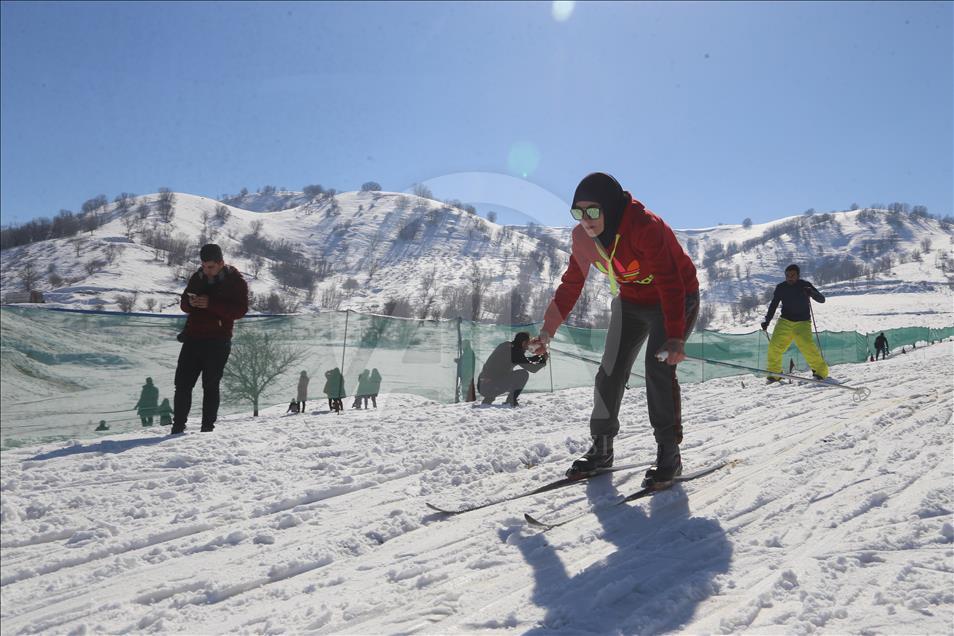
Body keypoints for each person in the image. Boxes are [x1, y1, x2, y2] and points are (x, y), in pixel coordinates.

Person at [530, 172, 700, 488]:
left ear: (609, 207)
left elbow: (669, 281)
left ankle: (669, 453)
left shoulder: (643, 226)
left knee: (658, 369)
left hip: (675, 297)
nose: (585, 219)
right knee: (609, 372)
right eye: (577, 212)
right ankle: (602, 449)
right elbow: (571, 285)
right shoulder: (582, 238)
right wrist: (547, 333)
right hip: (632, 303)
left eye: (592, 211)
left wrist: (675, 336)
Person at [171, 244, 249, 434]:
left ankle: (207, 428)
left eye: (211, 267)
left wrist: (210, 304)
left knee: (210, 385)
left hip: (218, 341)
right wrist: (190, 303)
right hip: (193, 337)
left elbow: (240, 311)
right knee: (182, 384)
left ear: (221, 263)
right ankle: (178, 426)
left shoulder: (236, 281)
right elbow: (183, 305)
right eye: (204, 266)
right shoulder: (197, 277)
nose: (206, 271)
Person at [761, 264, 827, 384]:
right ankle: (774, 374)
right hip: (785, 321)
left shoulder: (805, 285)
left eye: (792, 275)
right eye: (787, 275)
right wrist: (767, 320)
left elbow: (822, 299)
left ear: (798, 275)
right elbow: (773, 305)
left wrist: (811, 292)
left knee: (807, 347)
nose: (790, 278)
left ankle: (820, 372)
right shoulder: (781, 287)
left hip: (802, 322)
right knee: (774, 347)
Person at [477, 332, 547, 407]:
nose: (528, 346)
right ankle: (511, 401)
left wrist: (538, 357)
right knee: (523, 374)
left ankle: (488, 399)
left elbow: (523, 360)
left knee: (505, 372)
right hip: (490, 387)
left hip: (482, 386)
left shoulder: (506, 345)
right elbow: (532, 368)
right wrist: (543, 359)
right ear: (523, 343)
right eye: (528, 343)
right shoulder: (515, 352)